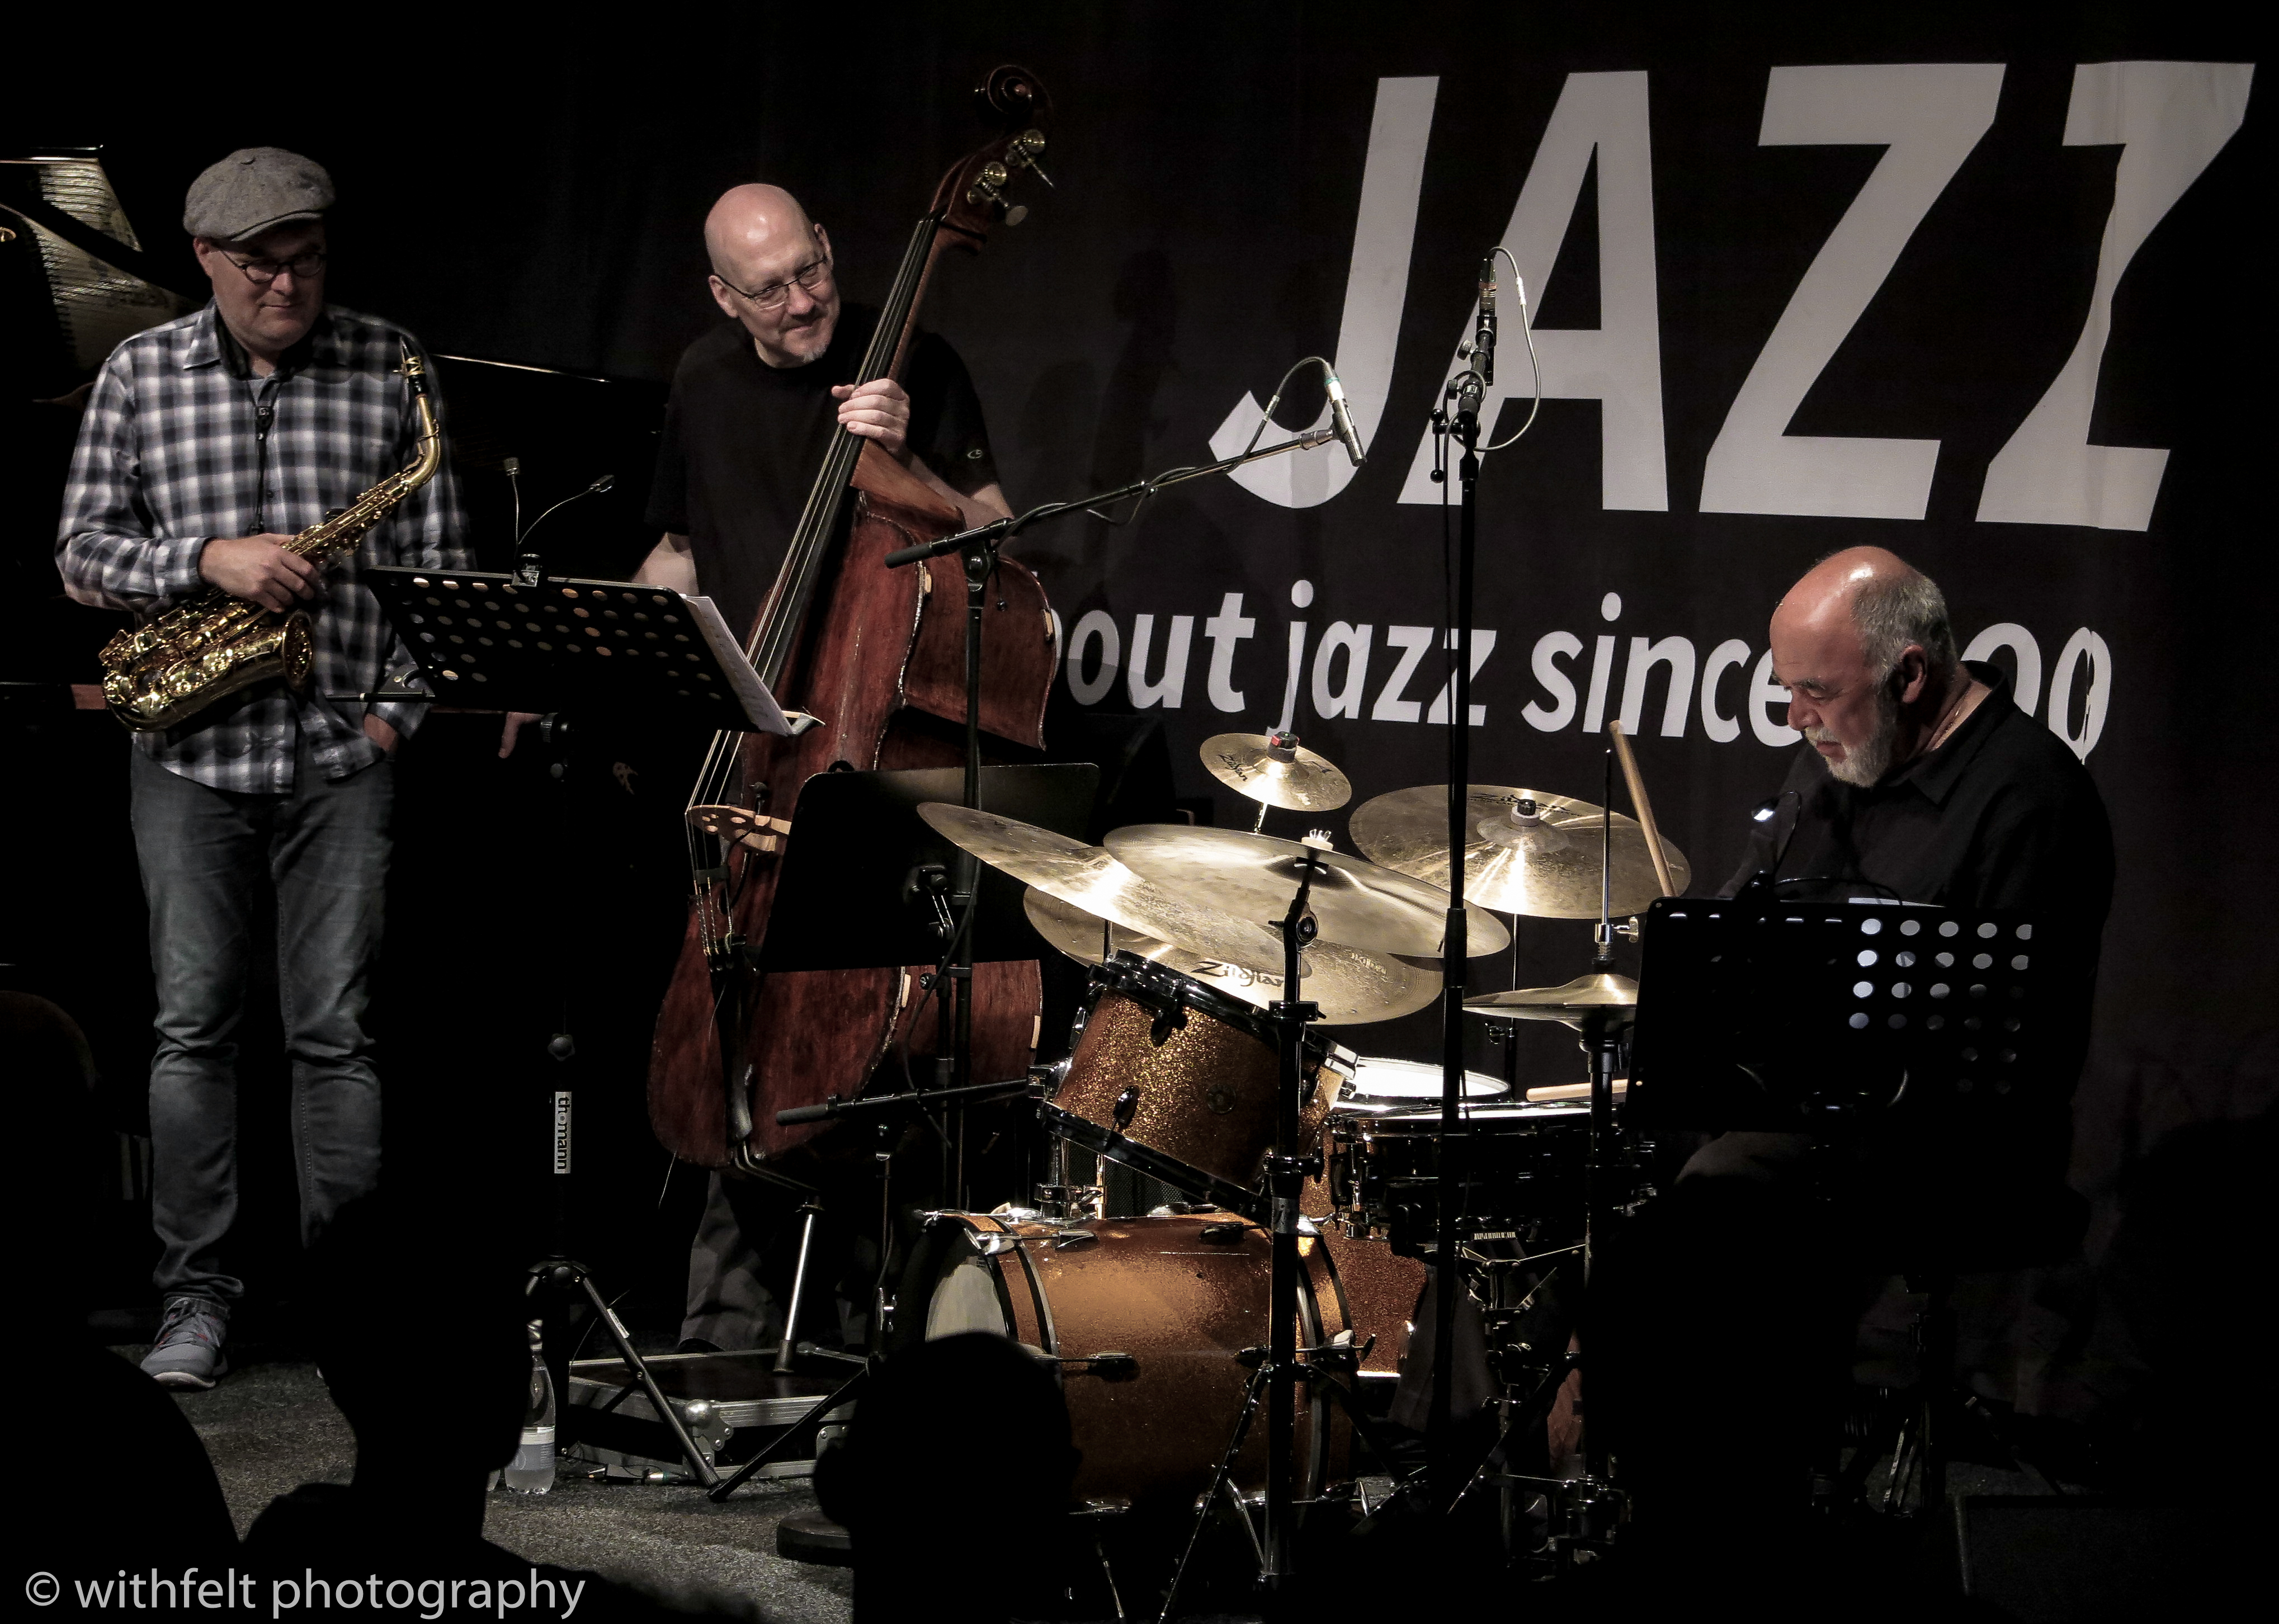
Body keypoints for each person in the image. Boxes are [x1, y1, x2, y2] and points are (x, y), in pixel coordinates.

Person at [1595, 546, 2115, 1571]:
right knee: (1602, 1164)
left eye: (1817, 693)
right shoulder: (1832, 765)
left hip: (1951, 1140)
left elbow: (2012, 1050)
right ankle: (1618, 1482)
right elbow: (1741, 941)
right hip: (1807, 1108)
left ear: (1911, 675)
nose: (1797, 718)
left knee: (1725, 1200)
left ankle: (1743, 1522)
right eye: (1786, 690)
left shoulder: (2031, 800)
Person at [55, 148, 471, 1389]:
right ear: (205, 260)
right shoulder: (139, 370)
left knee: (335, 1038)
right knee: (192, 1033)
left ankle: (351, 1298)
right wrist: (210, 561)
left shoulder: (390, 363)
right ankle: (195, 1298)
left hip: (344, 749)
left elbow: (438, 581)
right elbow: (80, 552)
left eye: (305, 259)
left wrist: (394, 721)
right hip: (187, 755)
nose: (285, 285)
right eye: (259, 265)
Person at [637, 183, 1013, 1355]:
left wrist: (911, 459)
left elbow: (995, 531)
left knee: (861, 1059)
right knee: (731, 1024)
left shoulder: (917, 356)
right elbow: (676, 551)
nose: (801, 302)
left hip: (857, 768)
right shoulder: (701, 378)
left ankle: (877, 1340)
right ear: (721, 295)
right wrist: (632, 653)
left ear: (833, 247)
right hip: (748, 764)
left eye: (810, 271)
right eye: (770, 287)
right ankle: (724, 1341)